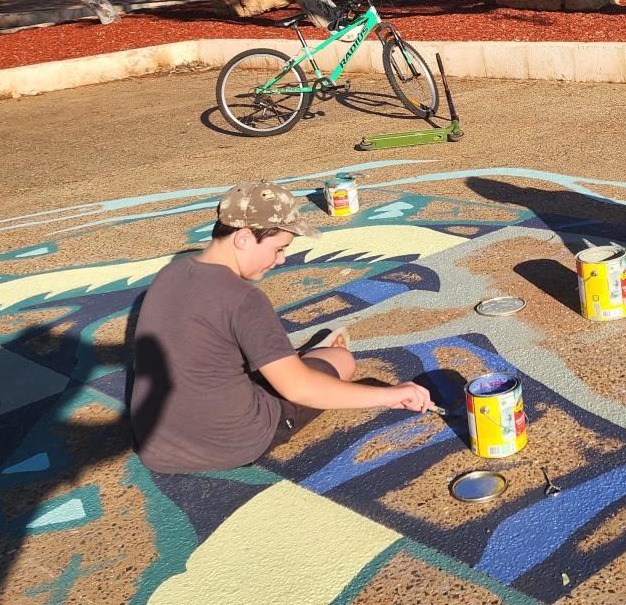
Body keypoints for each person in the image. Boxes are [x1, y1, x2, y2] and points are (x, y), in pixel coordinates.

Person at [128, 179, 432, 474]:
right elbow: (299, 389)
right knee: (340, 360)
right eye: (278, 248)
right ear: (243, 237)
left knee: (254, 358)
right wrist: (391, 395)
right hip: (231, 443)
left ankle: (293, 359)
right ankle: (305, 357)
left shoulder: (170, 275)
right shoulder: (243, 298)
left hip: (157, 447)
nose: (282, 259)